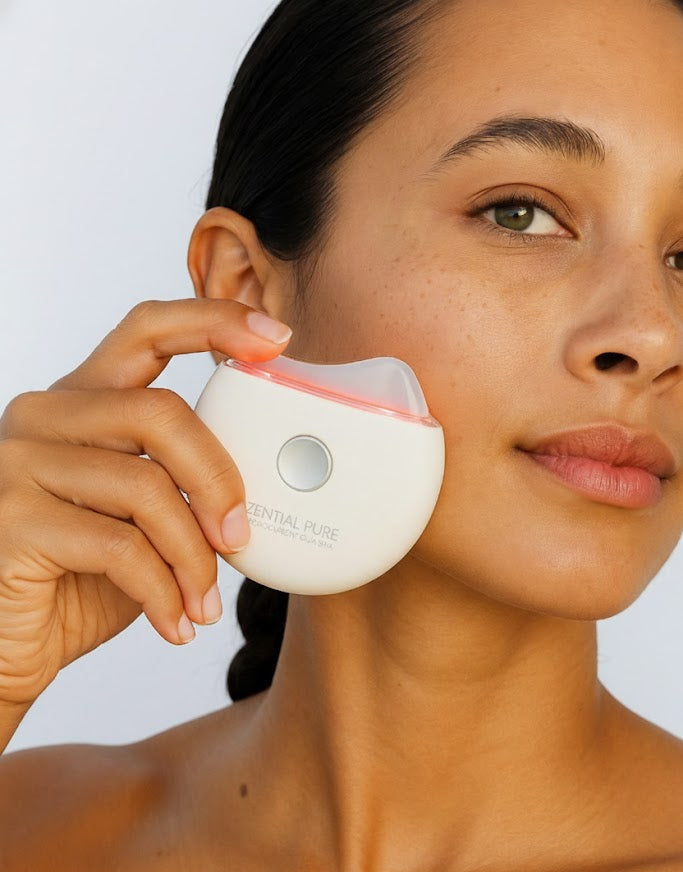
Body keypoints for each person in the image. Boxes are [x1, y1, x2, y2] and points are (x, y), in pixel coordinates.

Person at [1, 0, 683, 868]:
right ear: (248, 291)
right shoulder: (33, 830)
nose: (655, 334)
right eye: (520, 213)